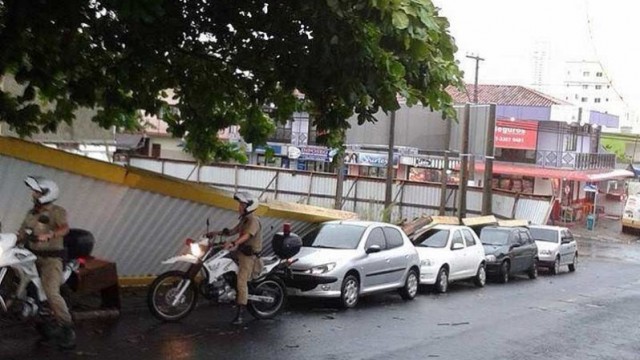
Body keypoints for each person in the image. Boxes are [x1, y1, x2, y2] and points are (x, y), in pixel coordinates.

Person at [17, 176, 75, 349]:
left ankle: (67, 328)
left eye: (37, 191)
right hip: (31, 256)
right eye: (33, 191)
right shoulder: (31, 213)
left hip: (51, 258)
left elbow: (64, 228)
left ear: (47, 194)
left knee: (51, 292)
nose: (33, 194)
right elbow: (21, 233)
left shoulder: (57, 211)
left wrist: (50, 234)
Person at [208, 192, 263, 325]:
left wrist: (234, 243)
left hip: (248, 256)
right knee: (218, 257)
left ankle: (240, 315)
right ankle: (224, 286)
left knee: (241, 281)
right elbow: (232, 231)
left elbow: (247, 236)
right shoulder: (244, 220)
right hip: (239, 252)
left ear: (249, 206)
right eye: (240, 204)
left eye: (242, 205)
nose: (239, 207)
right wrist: (216, 233)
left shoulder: (253, 220)